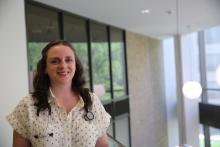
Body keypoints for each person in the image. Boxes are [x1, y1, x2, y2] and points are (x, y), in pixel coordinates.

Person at [7, 40, 111, 147]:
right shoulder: (27, 106)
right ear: (45, 68)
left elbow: (102, 144)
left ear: (75, 65)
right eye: (55, 61)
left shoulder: (92, 101)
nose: (63, 65)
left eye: (68, 60)